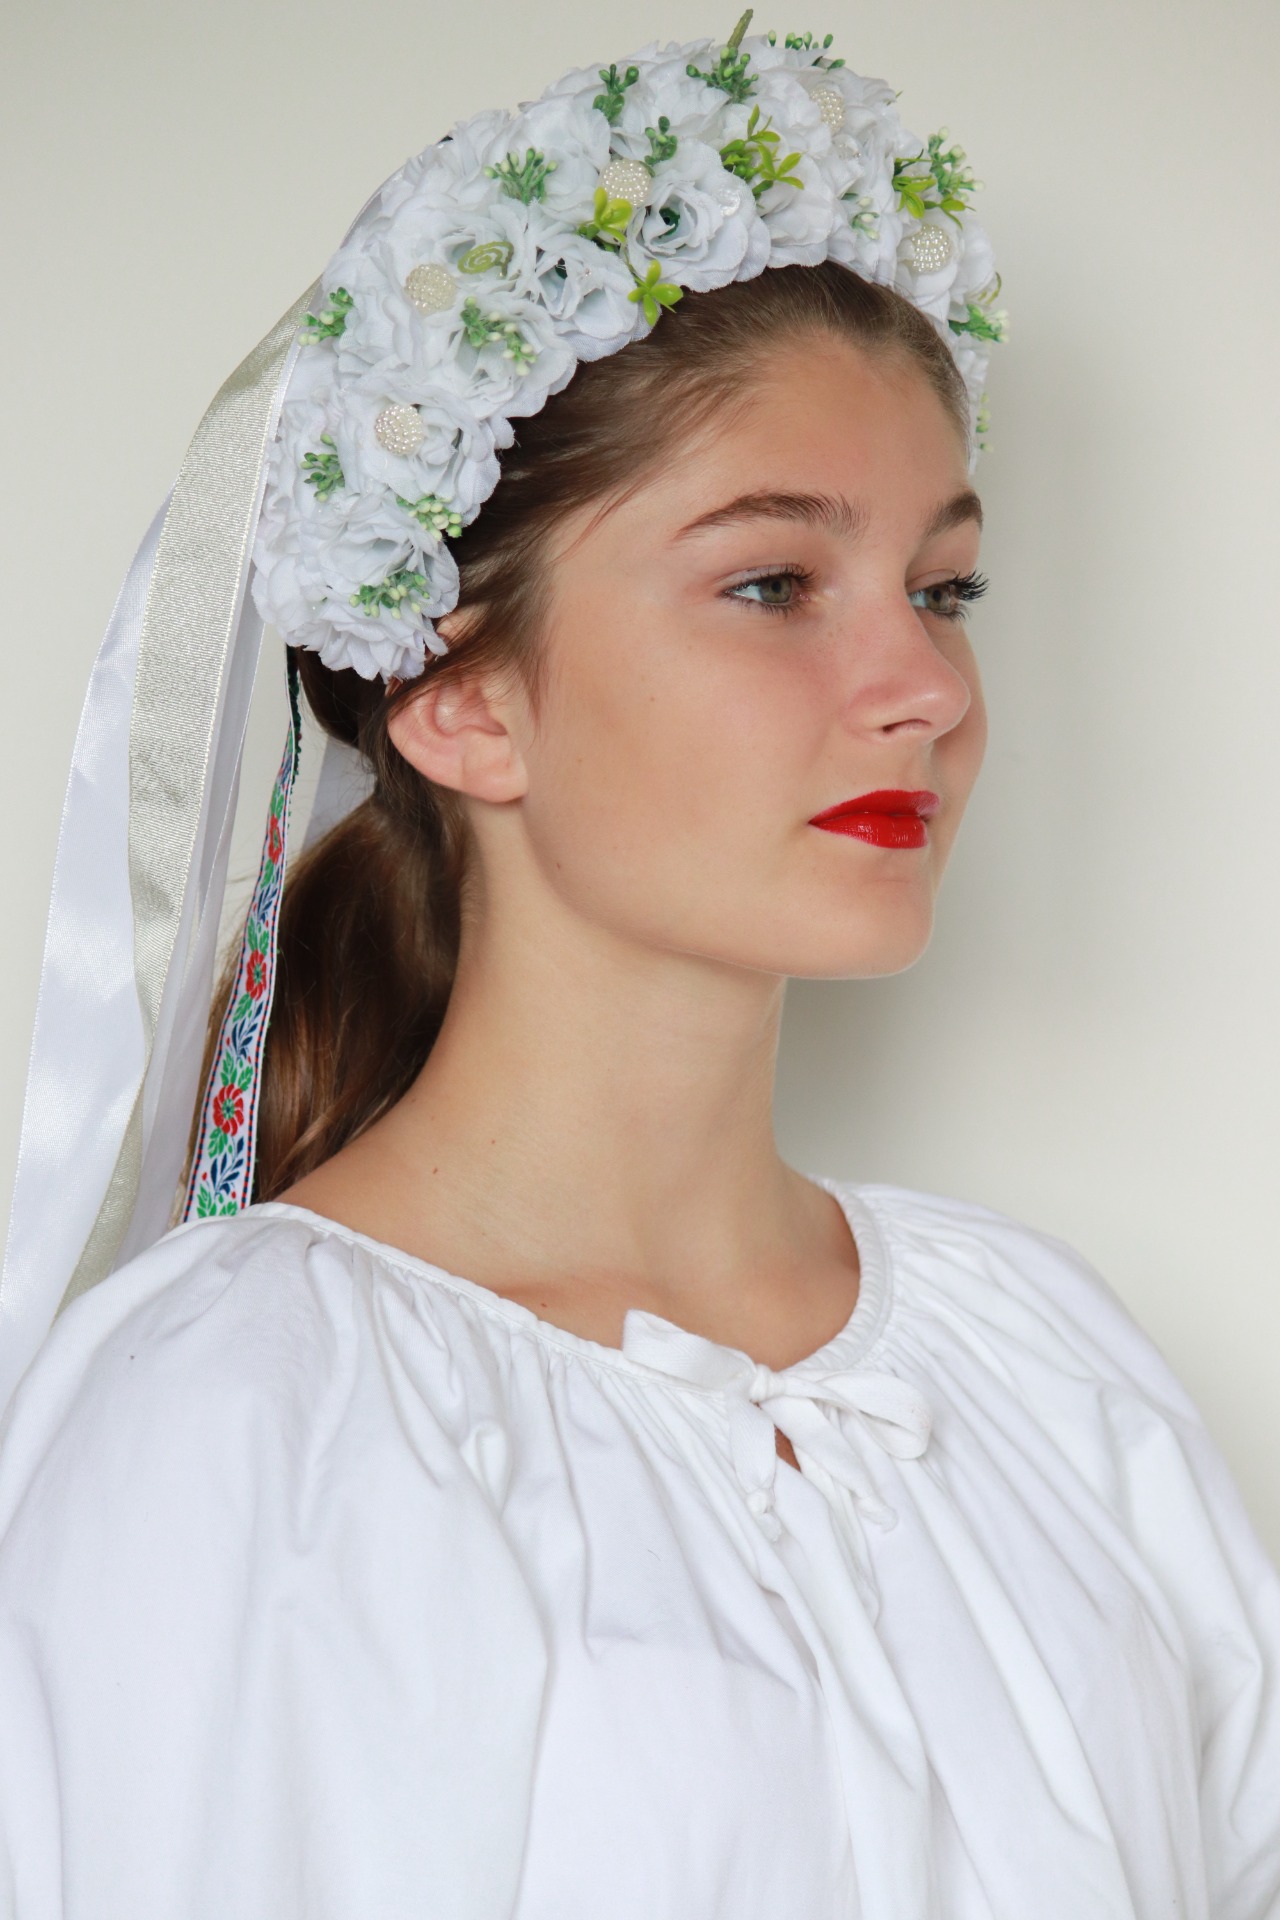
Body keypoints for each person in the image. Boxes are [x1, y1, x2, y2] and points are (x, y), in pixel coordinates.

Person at [0, 20, 1277, 1919]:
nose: (925, 690)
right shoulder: (243, 1419)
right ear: (457, 697)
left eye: (944, 589)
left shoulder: (1044, 1361)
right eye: (773, 584)